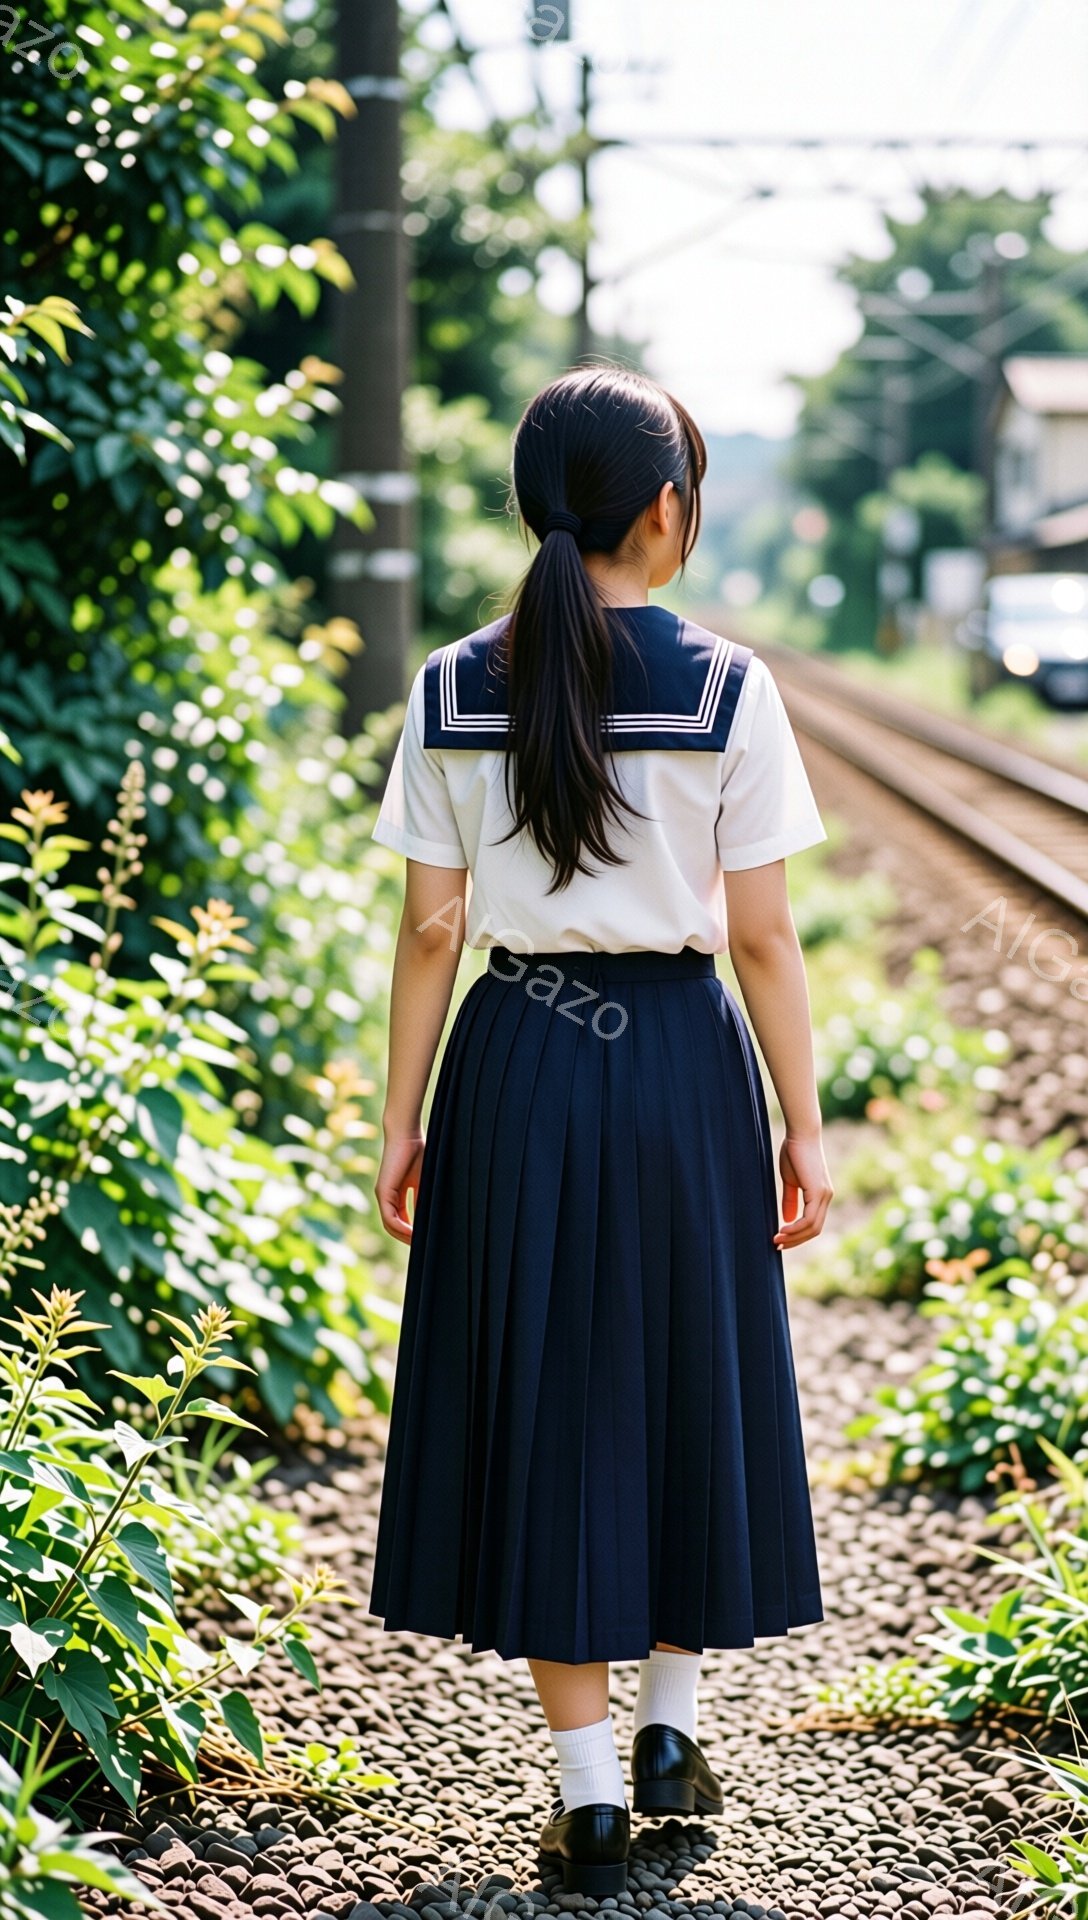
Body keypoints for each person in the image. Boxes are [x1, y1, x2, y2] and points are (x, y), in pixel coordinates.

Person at [369, 365, 833, 1896]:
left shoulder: (449, 686)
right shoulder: (725, 687)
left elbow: (432, 935)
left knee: (549, 1400)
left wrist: (404, 1122)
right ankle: (669, 1730)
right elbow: (763, 941)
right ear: (667, 511)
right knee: (685, 1376)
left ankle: (584, 1792)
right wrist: (803, 1125)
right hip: (687, 1067)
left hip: (514, 1059)